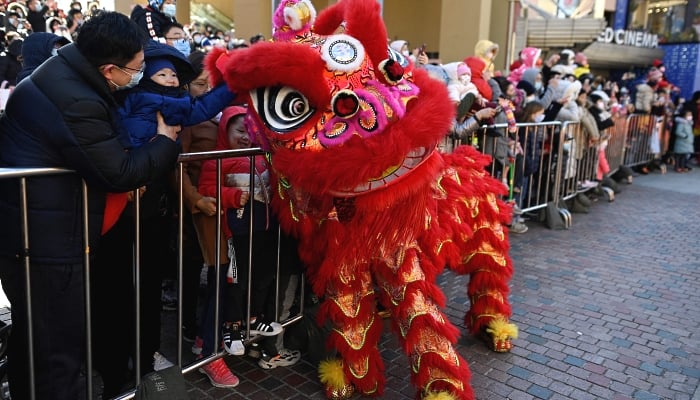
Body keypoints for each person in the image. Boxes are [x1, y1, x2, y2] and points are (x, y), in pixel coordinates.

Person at [0, 11, 181, 400]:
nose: (141, 74)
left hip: (39, 230)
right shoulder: (75, 98)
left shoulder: (65, 73)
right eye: (137, 68)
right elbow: (118, 171)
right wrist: (164, 142)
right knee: (57, 351)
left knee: (35, 341)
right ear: (109, 68)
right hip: (47, 241)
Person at [198, 105, 301, 371]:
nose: (246, 137)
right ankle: (231, 329)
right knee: (236, 283)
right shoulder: (217, 158)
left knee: (261, 278)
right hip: (236, 233)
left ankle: (253, 319)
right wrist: (232, 197)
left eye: (252, 132)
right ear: (225, 128)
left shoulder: (262, 156)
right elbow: (206, 188)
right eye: (241, 130)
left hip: (263, 231)